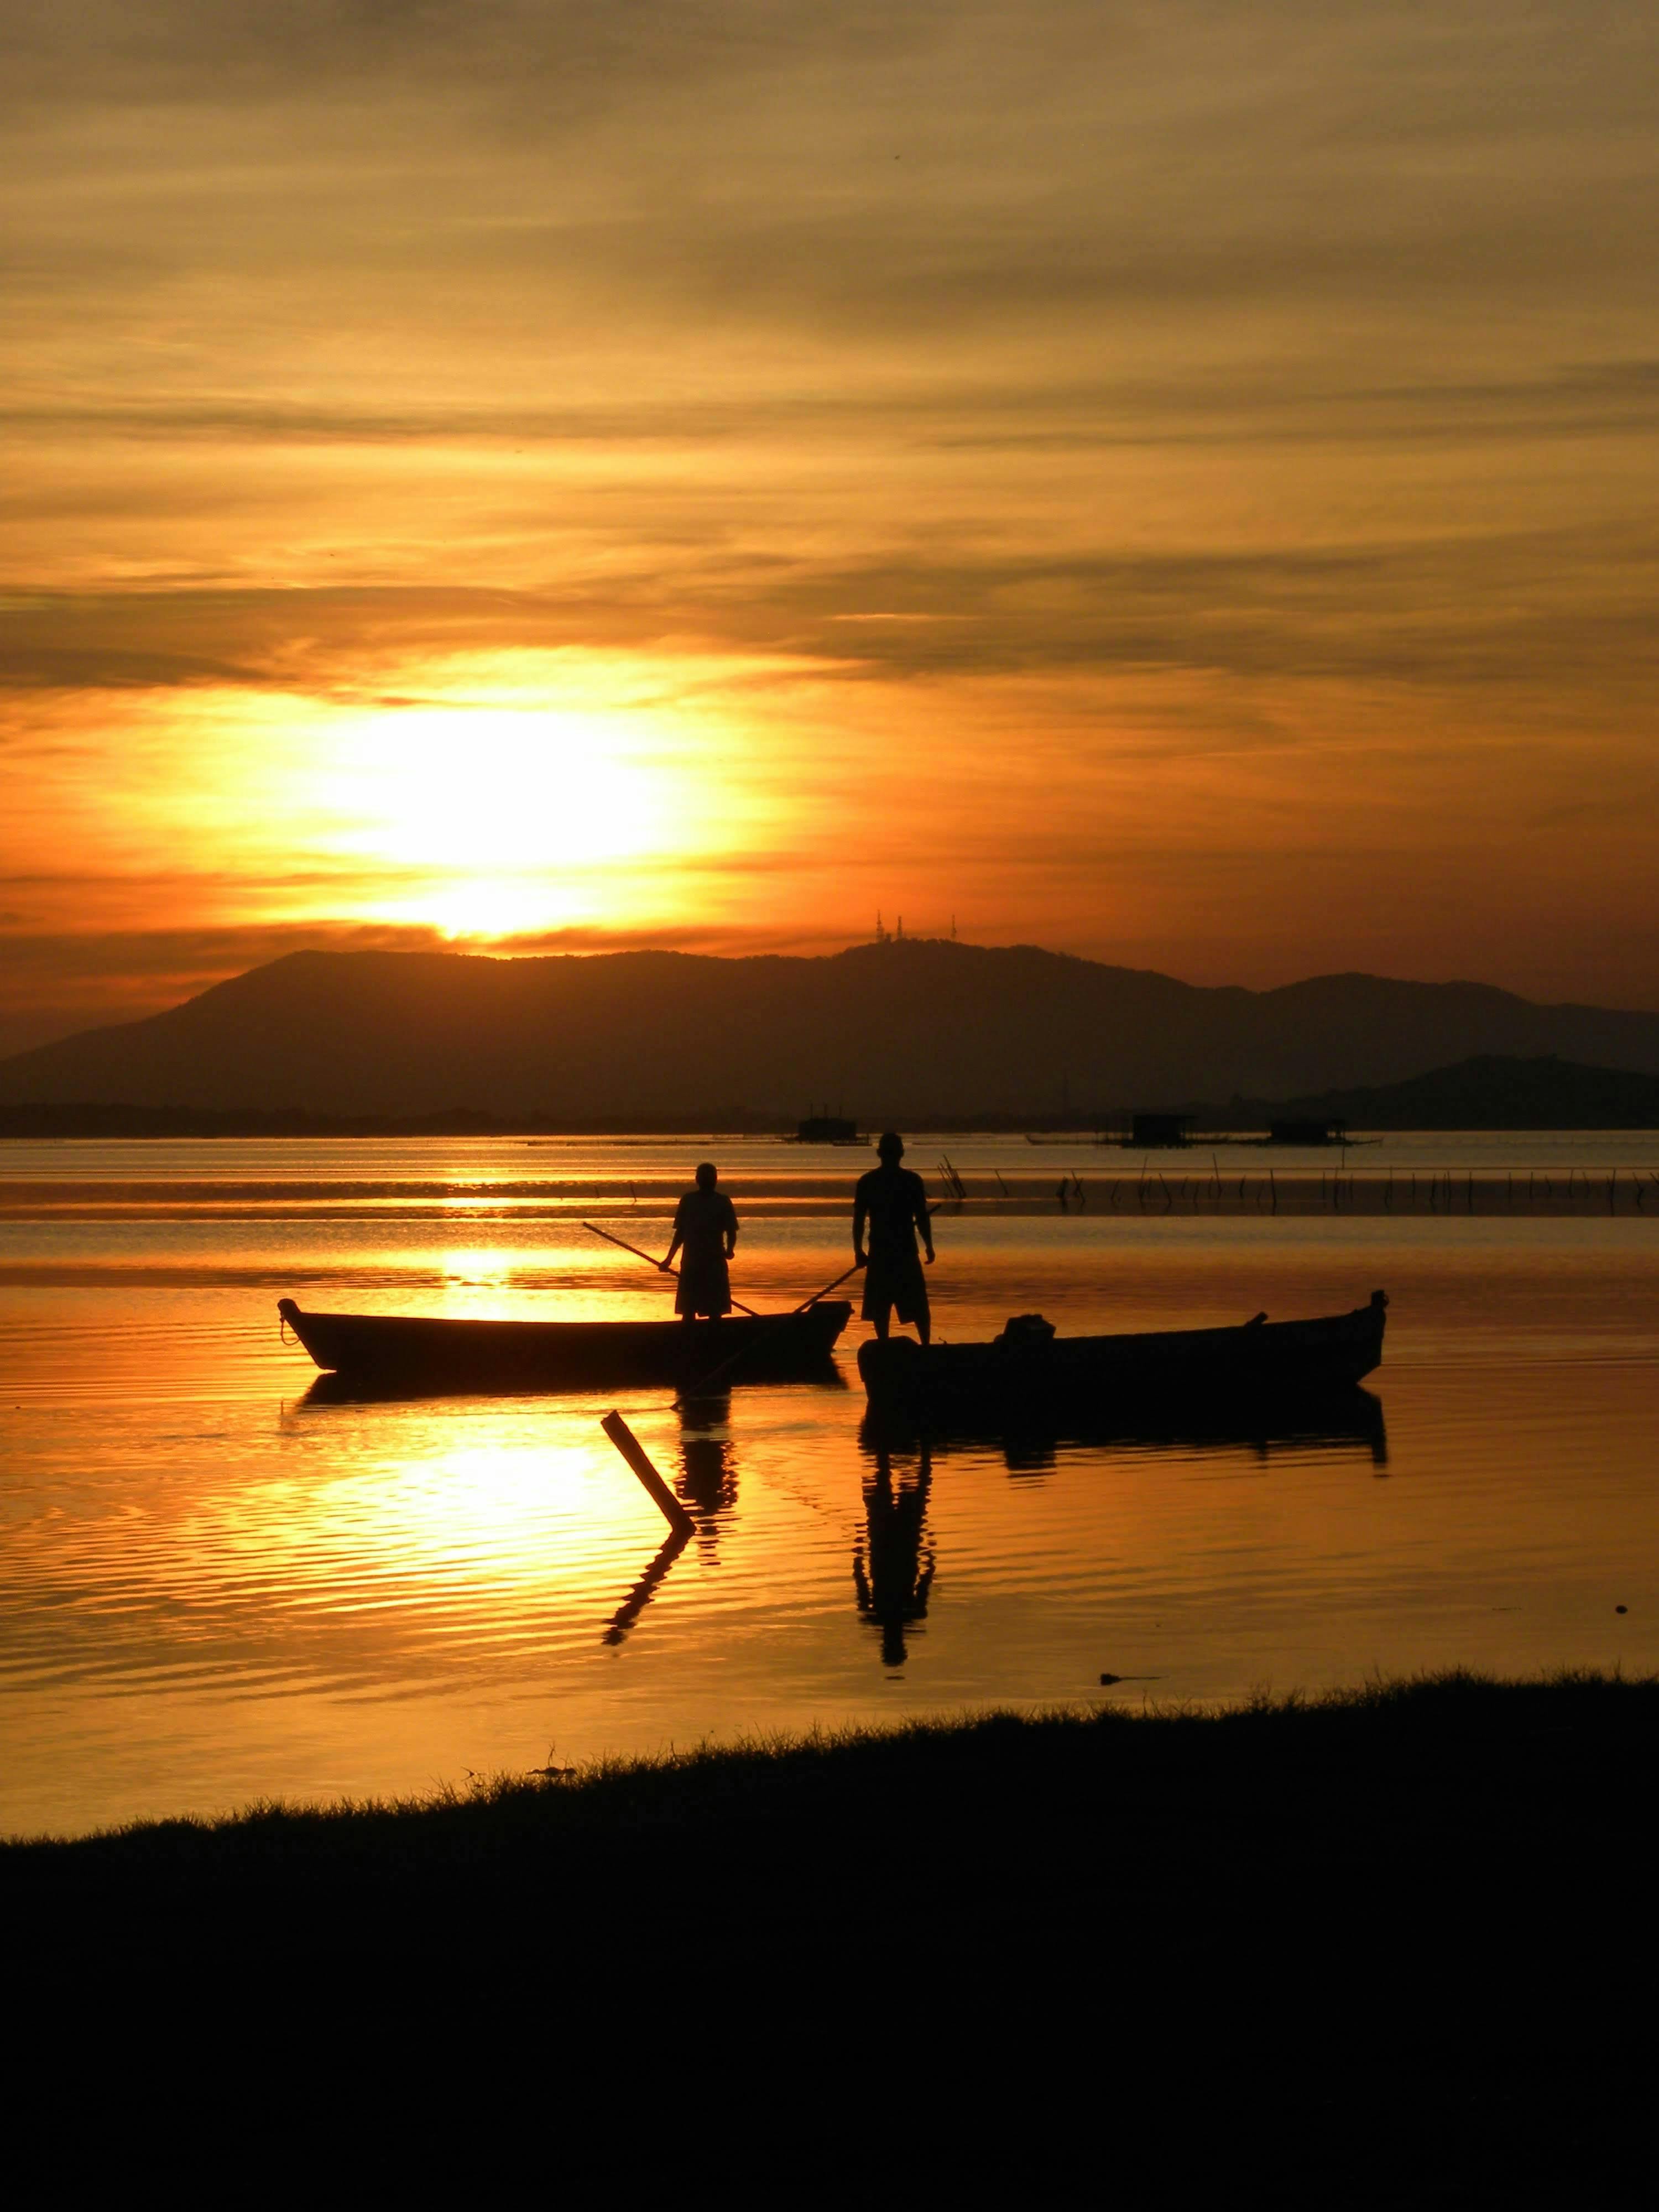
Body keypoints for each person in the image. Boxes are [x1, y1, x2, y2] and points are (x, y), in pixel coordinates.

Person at [853, 1130, 935, 1344]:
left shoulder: (870, 1182)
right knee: (909, 1305)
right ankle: (923, 1345)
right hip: (894, 1252)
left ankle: (890, 1344)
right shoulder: (909, 1181)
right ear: (901, 1154)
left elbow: (859, 1221)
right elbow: (923, 1218)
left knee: (892, 1305)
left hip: (892, 1252)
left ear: (880, 1154)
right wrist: (929, 1246)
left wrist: (858, 1251)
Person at [661, 1162, 738, 1322]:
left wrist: (730, 1250)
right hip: (694, 1263)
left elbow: (731, 1231)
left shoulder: (720, 1201)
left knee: (713, 1310)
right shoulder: (689, 1201)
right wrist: (669, 1259)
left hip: (712, 1263)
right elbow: (681, 1233)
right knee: (691, 1309)